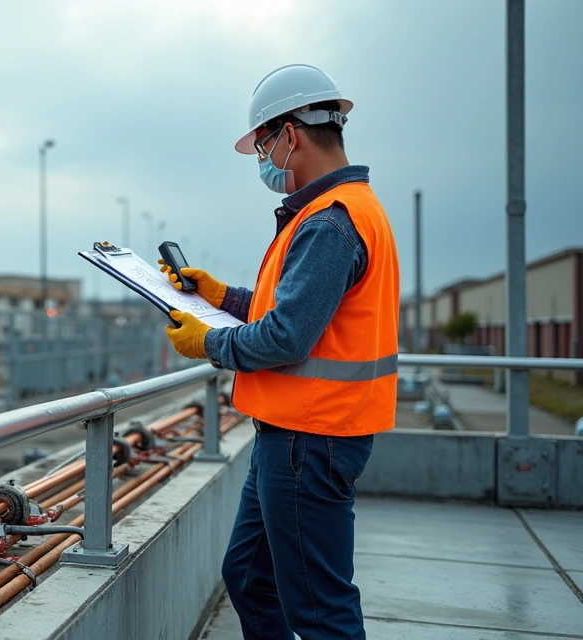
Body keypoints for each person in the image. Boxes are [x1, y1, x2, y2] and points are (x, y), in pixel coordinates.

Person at [161, 64, 399, 639]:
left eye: (263, 145)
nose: (262, 161)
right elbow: (289, 309)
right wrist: (221, 295)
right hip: (298, 435)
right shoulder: (343, 211)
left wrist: (209, 342)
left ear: (290, 134)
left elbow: (287, 338)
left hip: (309, 440)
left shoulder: (329, 223)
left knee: (320, 611)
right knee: (248, 577)